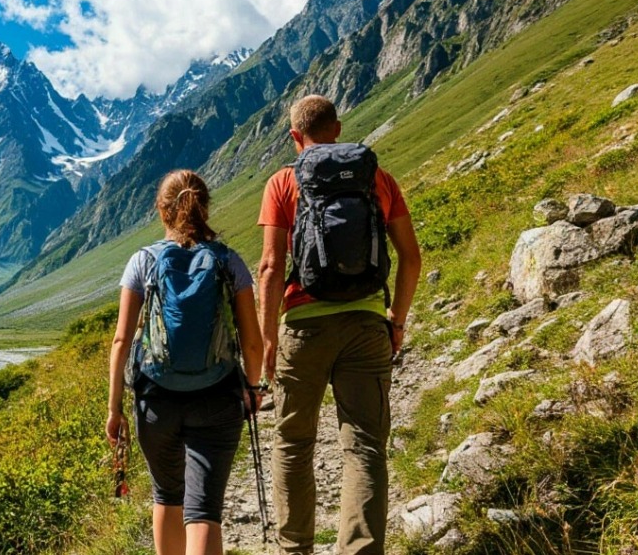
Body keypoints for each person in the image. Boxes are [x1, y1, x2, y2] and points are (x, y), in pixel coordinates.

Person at [257, 95, 422, 554]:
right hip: (368, 325)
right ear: (338, 128)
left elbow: (271, 266)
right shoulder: (379, 180)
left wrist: (268, 339)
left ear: (295, 137)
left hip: (303, 328)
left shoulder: (282, 183)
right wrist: (397, 321)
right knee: (365, 447)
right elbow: (411, 257)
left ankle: (295, 550)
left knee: (292, 443)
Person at [107, 169, 265, 555]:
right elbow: (252, 341)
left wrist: (115, 410)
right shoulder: (229, 261)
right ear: (205, 207)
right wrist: (255, 387)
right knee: (204, 510)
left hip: (155, 400)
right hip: (218, 396)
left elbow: (121, 341)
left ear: (161, 211)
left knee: (167, 496)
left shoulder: (142, 261)